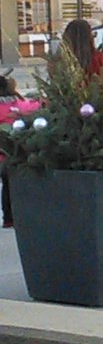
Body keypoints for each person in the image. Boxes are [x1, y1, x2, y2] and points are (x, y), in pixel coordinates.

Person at [0, 74, 42, 229]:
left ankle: (8, 218)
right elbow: (36, 106)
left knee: (7, 185)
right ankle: (15, 216)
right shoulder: (20, 105)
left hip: (3, 156)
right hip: (19, 154)